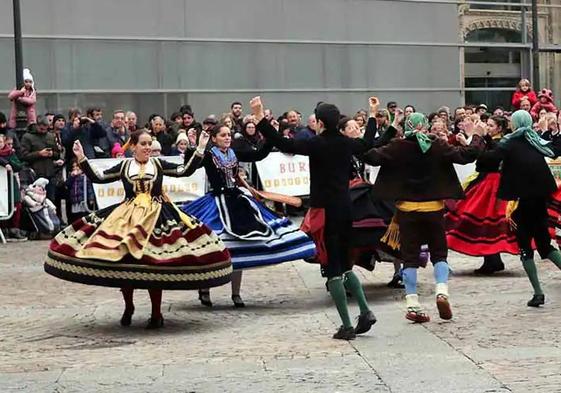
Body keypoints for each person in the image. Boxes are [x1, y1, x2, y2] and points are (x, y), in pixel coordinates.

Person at [44, 130, 232, 328]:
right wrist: (81, 157)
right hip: (127, 217)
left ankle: (157, 312)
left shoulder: (157, 164)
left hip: (158, 216)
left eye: (149, 143)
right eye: (143, 144)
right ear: (133, 146)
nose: (148, 148)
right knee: (125, 262)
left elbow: (184, 171)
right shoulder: (125, 165)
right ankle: (129, 306)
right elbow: (99, 177)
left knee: (155, 264)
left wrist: (201, 147)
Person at [254, 96, 391, 340]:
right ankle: (365, 310)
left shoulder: (316, 144)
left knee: (332, 269)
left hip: (325, 211)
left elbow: (283, 144)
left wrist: (260, 118)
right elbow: (368, 141)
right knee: (347, 265)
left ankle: (347, 325)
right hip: (345, 209)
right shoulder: (346, 144)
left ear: (319, 122)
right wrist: (372, 113)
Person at [361, 112, 486, 323]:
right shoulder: (437, 145)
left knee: (409, 256)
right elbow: (467, 155)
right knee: (439, 253)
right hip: (434, 209)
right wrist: (473, 135)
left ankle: (412, 303)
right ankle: (442, 290)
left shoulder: (396, 146)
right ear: (426, 127)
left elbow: (370, 156)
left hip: (406, 211)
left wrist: (377, 129)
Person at [180, 123, 316, 308]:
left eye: (228, 135)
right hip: (216, 202)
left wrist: (270, 137)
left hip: (237, 200)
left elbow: (258, 155)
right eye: (223, 135)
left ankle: (236, 293)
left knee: (242, 246)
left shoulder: (234, 153)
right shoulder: (209, 155)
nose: (227, 138)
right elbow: (191, 166)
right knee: (212, 245)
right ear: (214, 138)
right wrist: (197, 145)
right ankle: (205, 288)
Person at [479, 110, 561, 307]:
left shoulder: (509, 143)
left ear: (514, 124)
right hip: (540, 200)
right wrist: (553, 132)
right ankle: (537, 292)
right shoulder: (537, 141)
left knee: (525, 247)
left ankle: (538, 292)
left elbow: (485, 161)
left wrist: (481, 137)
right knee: (545, 245)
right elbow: (555, 149)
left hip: (522, 202)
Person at [446, 115, 518, 275]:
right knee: (481, 220)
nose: (489, 127)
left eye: (492, 126)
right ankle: (492, 259)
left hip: (493, 184)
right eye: (488, 125)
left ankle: (492, 259)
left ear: (500, 128)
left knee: (487, 221)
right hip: (485, 181)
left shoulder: (503, 141)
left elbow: (491, 158)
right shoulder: (493, 141)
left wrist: (477, 138)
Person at [20, 116, 61, 202]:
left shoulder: (50, 136)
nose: (43, 131)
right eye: (41, 129)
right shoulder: (27, 137)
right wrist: (39, 154)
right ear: (37, 125)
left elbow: (57, 154)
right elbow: (23, 156)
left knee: (51, 200)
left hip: (50, 173)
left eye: (45, 129)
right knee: (36, 201)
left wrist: (52, 153)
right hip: (35, 174)